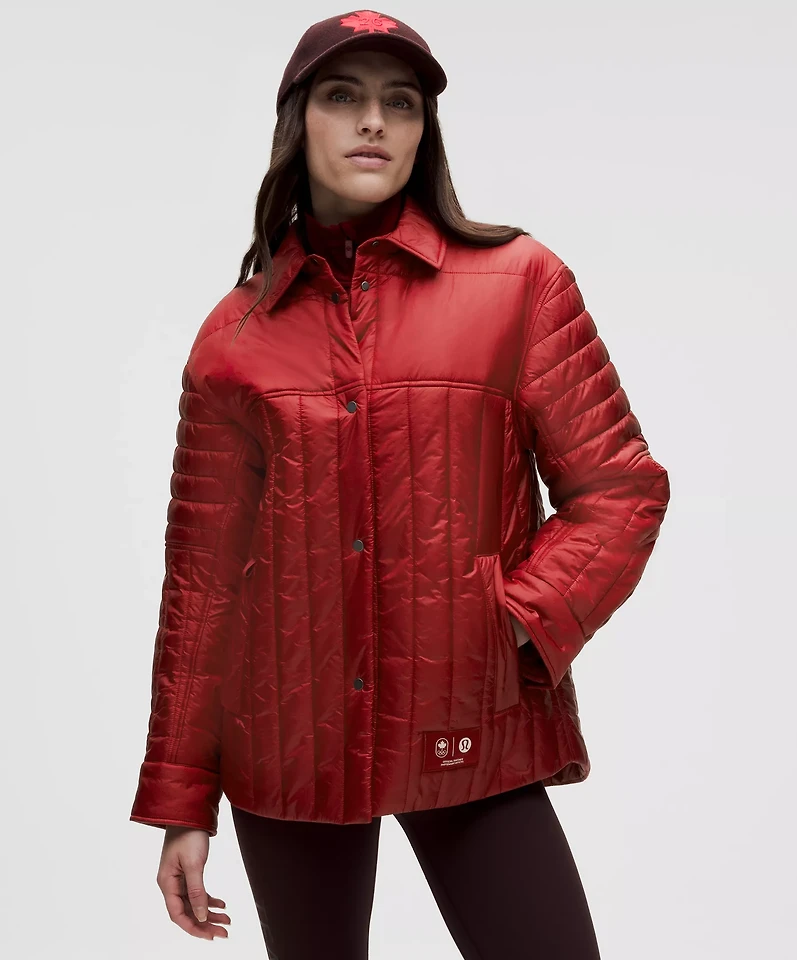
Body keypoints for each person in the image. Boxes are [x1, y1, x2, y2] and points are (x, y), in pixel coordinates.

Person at [129, 9, 670, 958]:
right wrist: (181, 799)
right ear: (298, 123)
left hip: (470, 718)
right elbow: (202, 586)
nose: (374, 120)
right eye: (344, 97)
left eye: (401, 102)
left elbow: (620, 489)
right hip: (286, 743)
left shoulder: (520, 282)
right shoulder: (234, 338)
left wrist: (514, 621)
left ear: (425, 131)